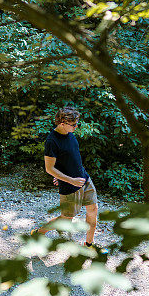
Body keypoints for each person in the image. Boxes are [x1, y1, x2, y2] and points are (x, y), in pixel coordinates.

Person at [32, 106, 102, 250]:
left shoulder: (70, 134)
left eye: (77, 123)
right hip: (70, 185)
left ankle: (89, 244)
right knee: (66, 218)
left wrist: (72, 176)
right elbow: (49, 168)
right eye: (74, 124)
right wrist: (69, 179)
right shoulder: (52, 141)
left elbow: (70, 159)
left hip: (84, 179)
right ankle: (38, 233)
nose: (76, 127)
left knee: (93, 209)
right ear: (62, 123)